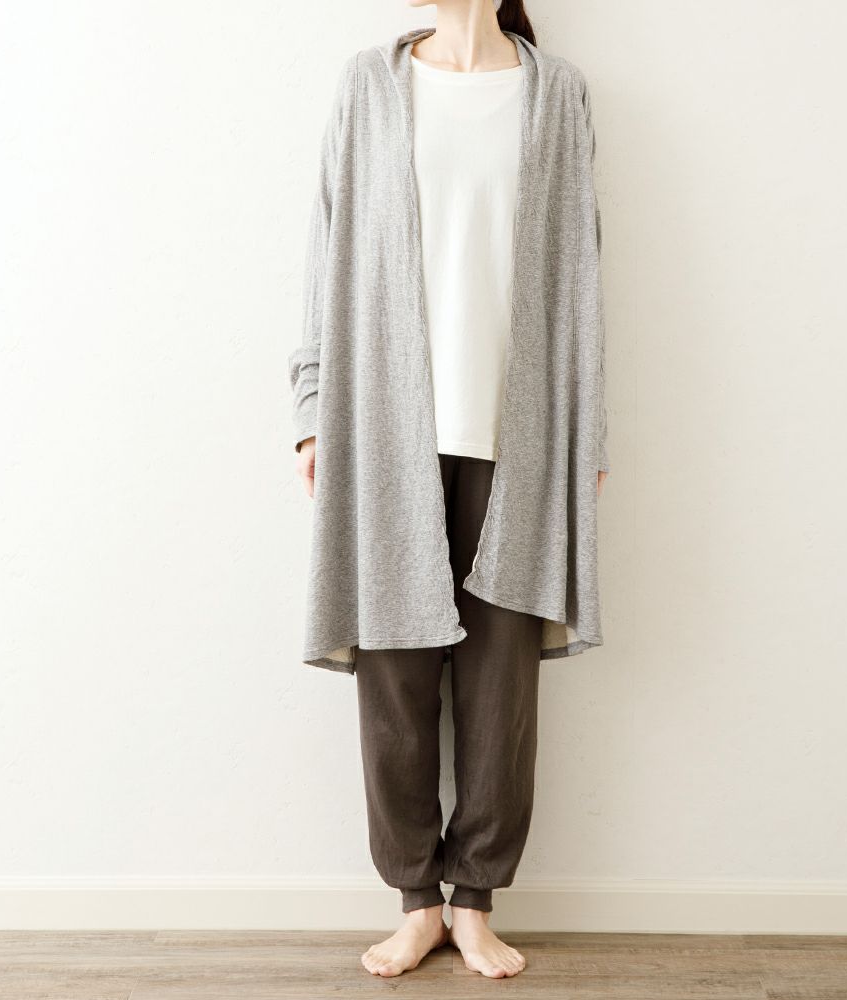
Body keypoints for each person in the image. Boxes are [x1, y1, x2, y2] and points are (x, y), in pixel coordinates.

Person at [288, 0, 609, 981]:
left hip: (519, 432)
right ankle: (415, 901)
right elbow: (327, 245)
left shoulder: (556, 94)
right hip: (384, 425)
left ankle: (474, 901)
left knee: (502, 684)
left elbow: (584, 270)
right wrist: (312, 407)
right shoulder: (369, 85)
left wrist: (587, 429)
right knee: (394, 677)